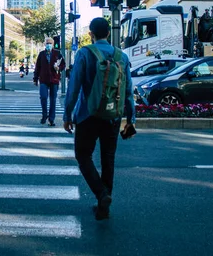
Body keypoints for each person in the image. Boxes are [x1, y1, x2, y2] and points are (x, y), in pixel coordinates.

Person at [63, 17, 136, 221]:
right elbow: (129, 90)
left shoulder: (85, 53)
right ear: (108, 33)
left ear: (91, 34)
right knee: (108, 158)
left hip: (88, 115)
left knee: (83, 155)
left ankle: (101, 194)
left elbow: (74, 87)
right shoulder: (121, 56)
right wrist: (131, 118)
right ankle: (104, 206)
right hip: (113, 116)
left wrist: (68, 115)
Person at [33, 37, 65, 126]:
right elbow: (37, 67)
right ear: (45, 44)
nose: (48, 45)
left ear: (53, 44)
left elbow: (63, 64)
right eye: (47, 43)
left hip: (54, 80)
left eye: (50, 43)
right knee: (43, 97)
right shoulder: (41, 54)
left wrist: (59, 68)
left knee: (53, 100)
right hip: (43, 79)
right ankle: (44, 114)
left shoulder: (57, 53)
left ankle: (51, 119)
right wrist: (35, 78)